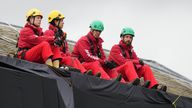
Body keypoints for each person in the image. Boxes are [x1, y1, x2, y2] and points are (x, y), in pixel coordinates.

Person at [108, 27, 167, 91]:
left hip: (127, 74)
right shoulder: (115, 48)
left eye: (130, 37)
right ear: (122, 37)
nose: (129, 39)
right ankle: (137, 85)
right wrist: (136, 62)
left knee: (145, 67)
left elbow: (138, 62)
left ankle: (153, 87)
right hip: (116, 74)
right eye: (127, 37)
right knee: (128, 64)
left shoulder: (131, 51)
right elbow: (123, 62)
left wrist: (138, 63)